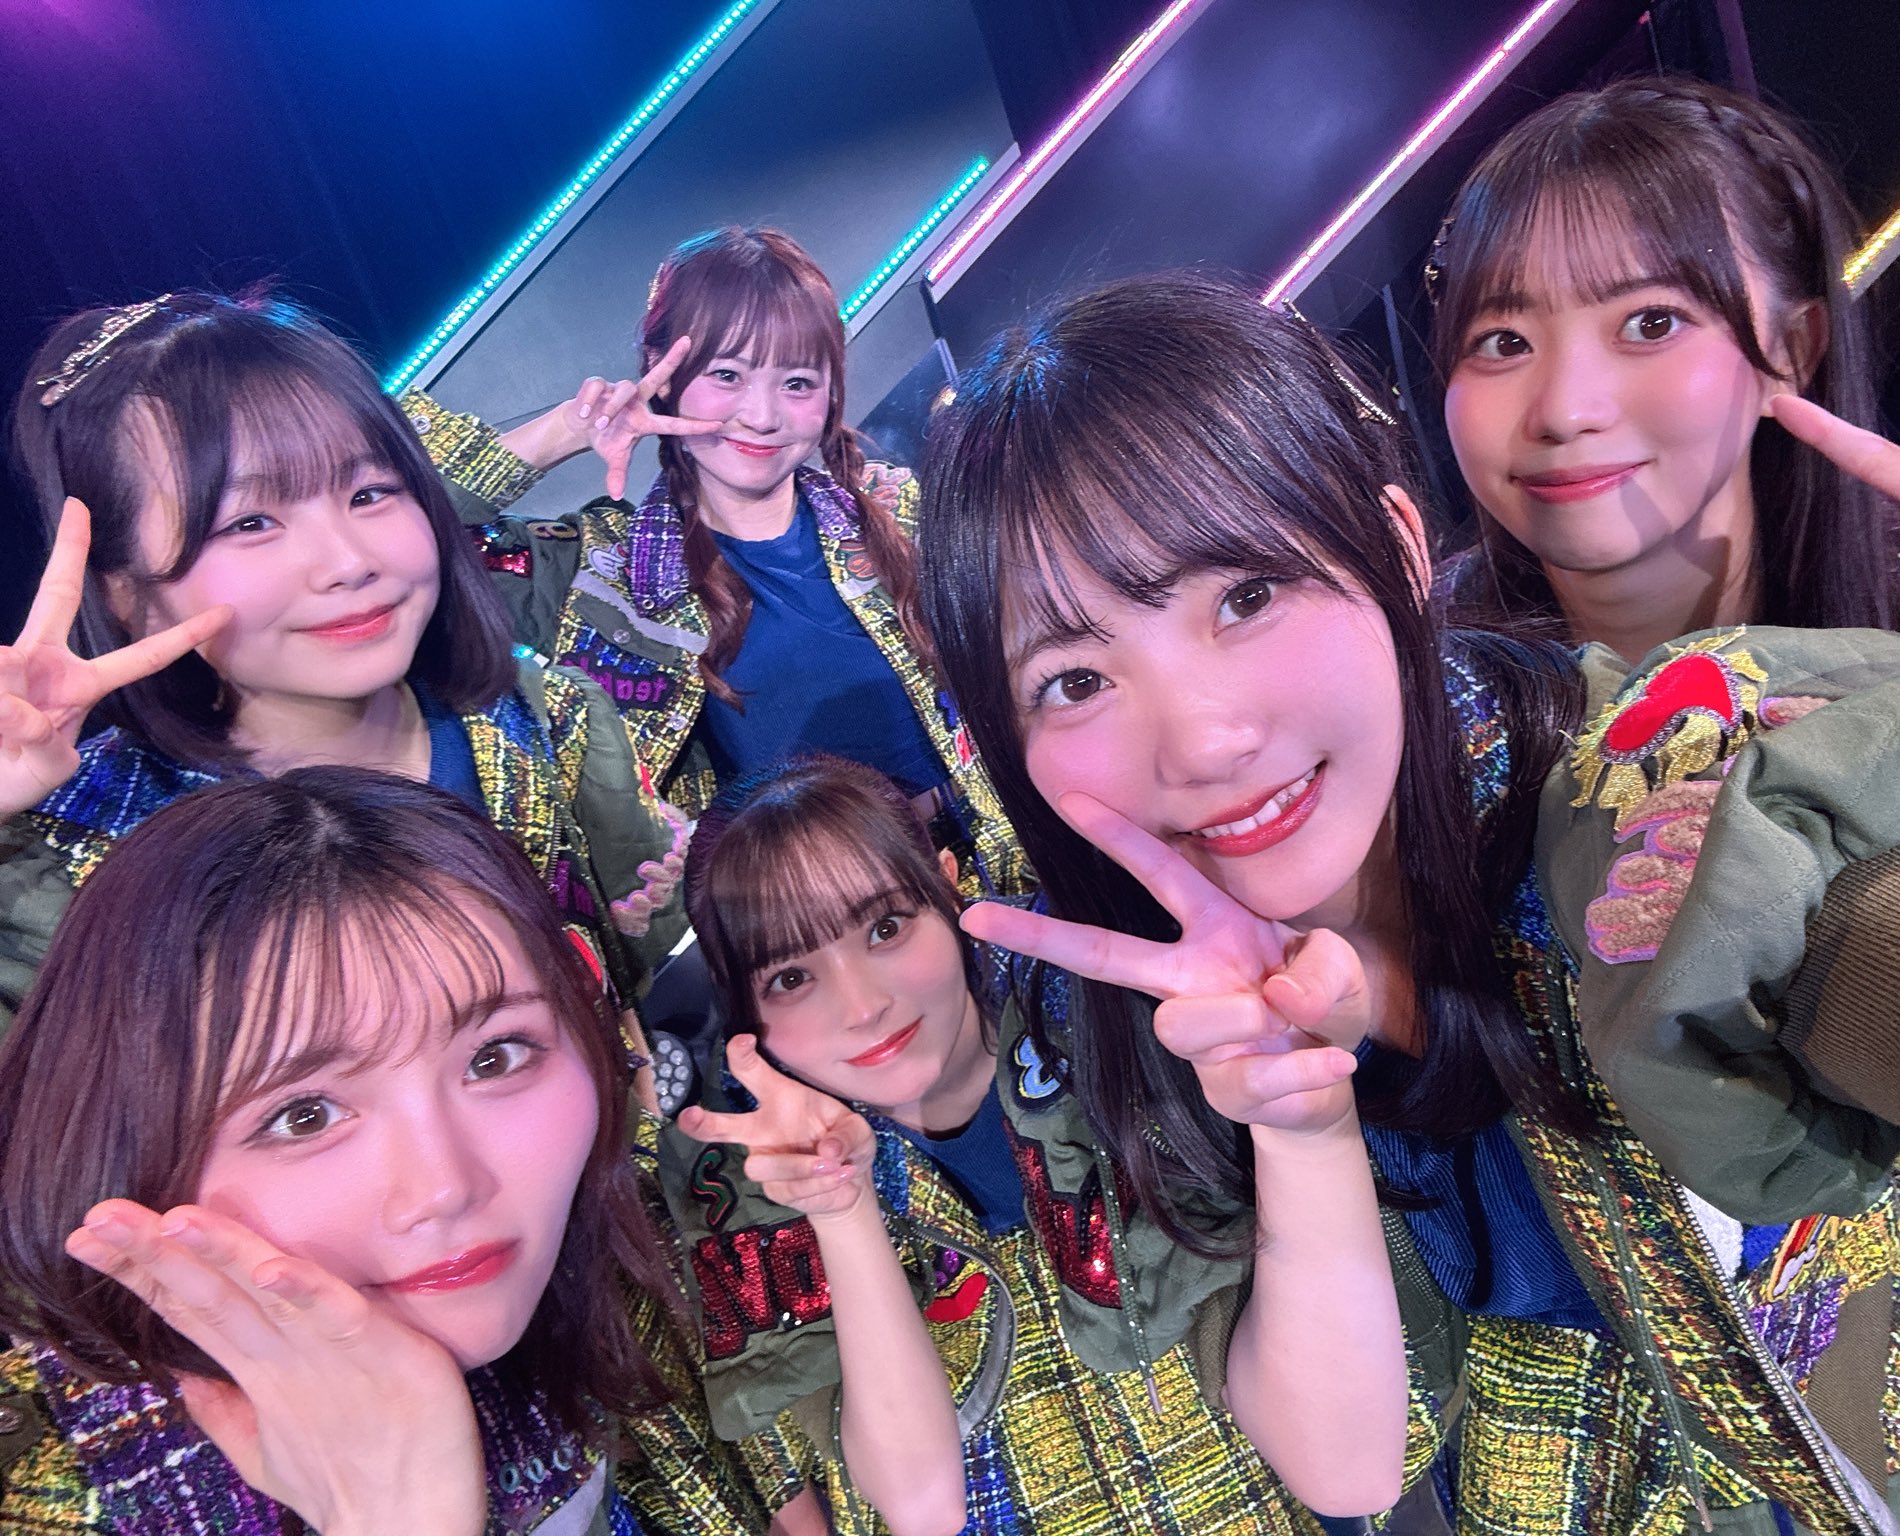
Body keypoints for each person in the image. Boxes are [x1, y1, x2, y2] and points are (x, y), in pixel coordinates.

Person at [916, 270, 1900, 1535]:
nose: (1202, 740)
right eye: (1073, 681)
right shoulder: (1125, 1022)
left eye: (1244, 596)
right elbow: (1349, 1465)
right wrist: (1297, 1124)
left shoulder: (1659, 784)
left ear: (1399, 550)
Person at [0, 768, 789, 1532]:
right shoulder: (55, 1483)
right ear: (128, 1138)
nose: (446, 1186)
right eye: (304, 1115)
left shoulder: (632, 1251)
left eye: (495, 1057)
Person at [664, 753, 1410, 1533]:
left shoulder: (1120, 1014)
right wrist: (840, 1208)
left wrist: (1303, 1111)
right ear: (743, 1008)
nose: (861, 1006)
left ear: (948, 884)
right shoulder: (752, 1170)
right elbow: (921, 1507)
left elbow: (1349, 1465)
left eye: (885, 928)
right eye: (790, 978)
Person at [0, 290, 688, 1034]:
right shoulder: (71, 871)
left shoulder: (552, 721)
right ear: (126, 593)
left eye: (369, 493)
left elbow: (666, 990)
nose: (349, 561)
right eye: (251, 522)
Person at [401, 226, 1027, 900]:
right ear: (662, 372)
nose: (761, 415)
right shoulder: (601, 573)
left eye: (797, 382)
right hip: (791, 925)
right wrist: (567, 431)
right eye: (727, 375)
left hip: (998, 880)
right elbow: (387, 523)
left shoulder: (898, 513)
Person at [1430, 75, 1900, 661]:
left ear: (1790, 352)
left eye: (1651, 323)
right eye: (1504, 342)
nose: (1563, 412)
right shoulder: (1409, 678)